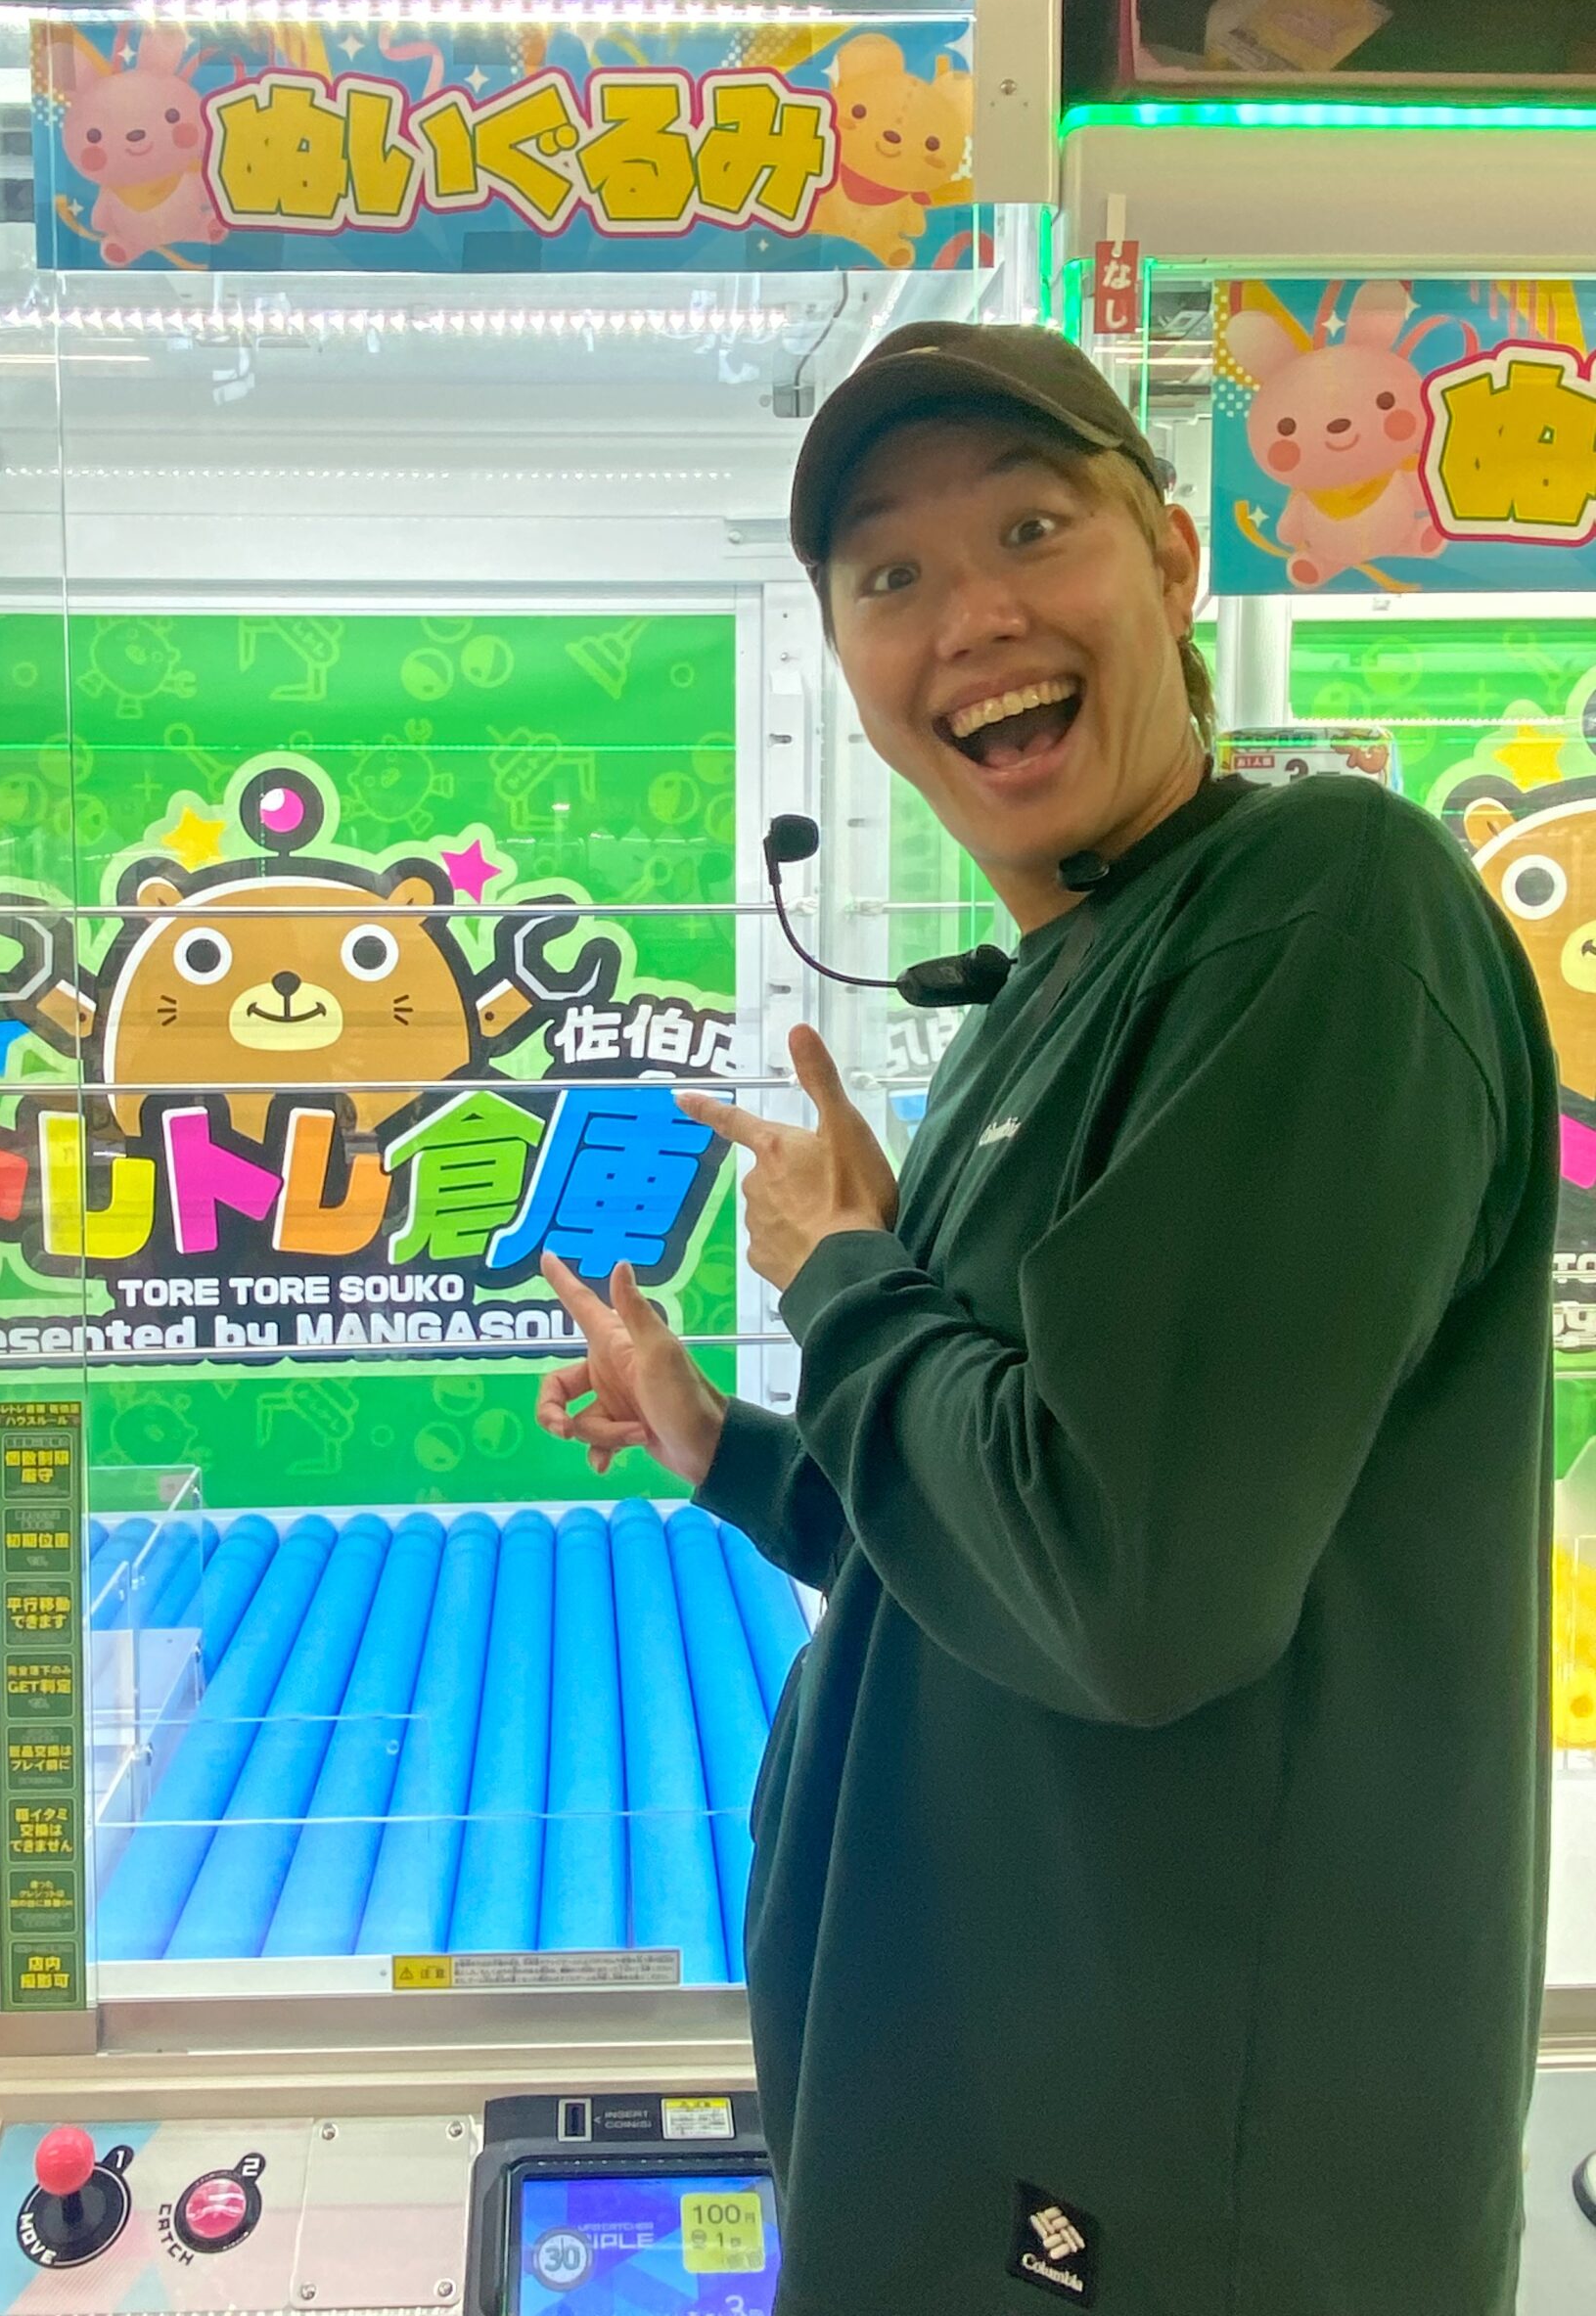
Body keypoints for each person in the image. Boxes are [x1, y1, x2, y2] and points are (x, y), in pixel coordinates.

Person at [536, 320, 1560, 2316]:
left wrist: (844, 1270)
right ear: (849, 661)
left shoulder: (1319, 906)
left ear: (1171, 562)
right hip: (1012, 2166)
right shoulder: (1065, 985)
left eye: (1030, 529)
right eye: (892, 574)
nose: (973, 617)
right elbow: (983, 1546)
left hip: (1181, 2199)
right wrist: (722, 1442)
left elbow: (1124, 1590)